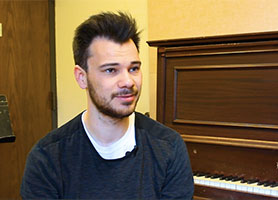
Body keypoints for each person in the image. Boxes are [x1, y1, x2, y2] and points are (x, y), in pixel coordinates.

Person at [20, 11, 194, 199]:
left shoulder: (169, 148)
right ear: (82, 77)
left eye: (134, 68)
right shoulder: (46, 159)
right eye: (111, 70)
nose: (128, 81)